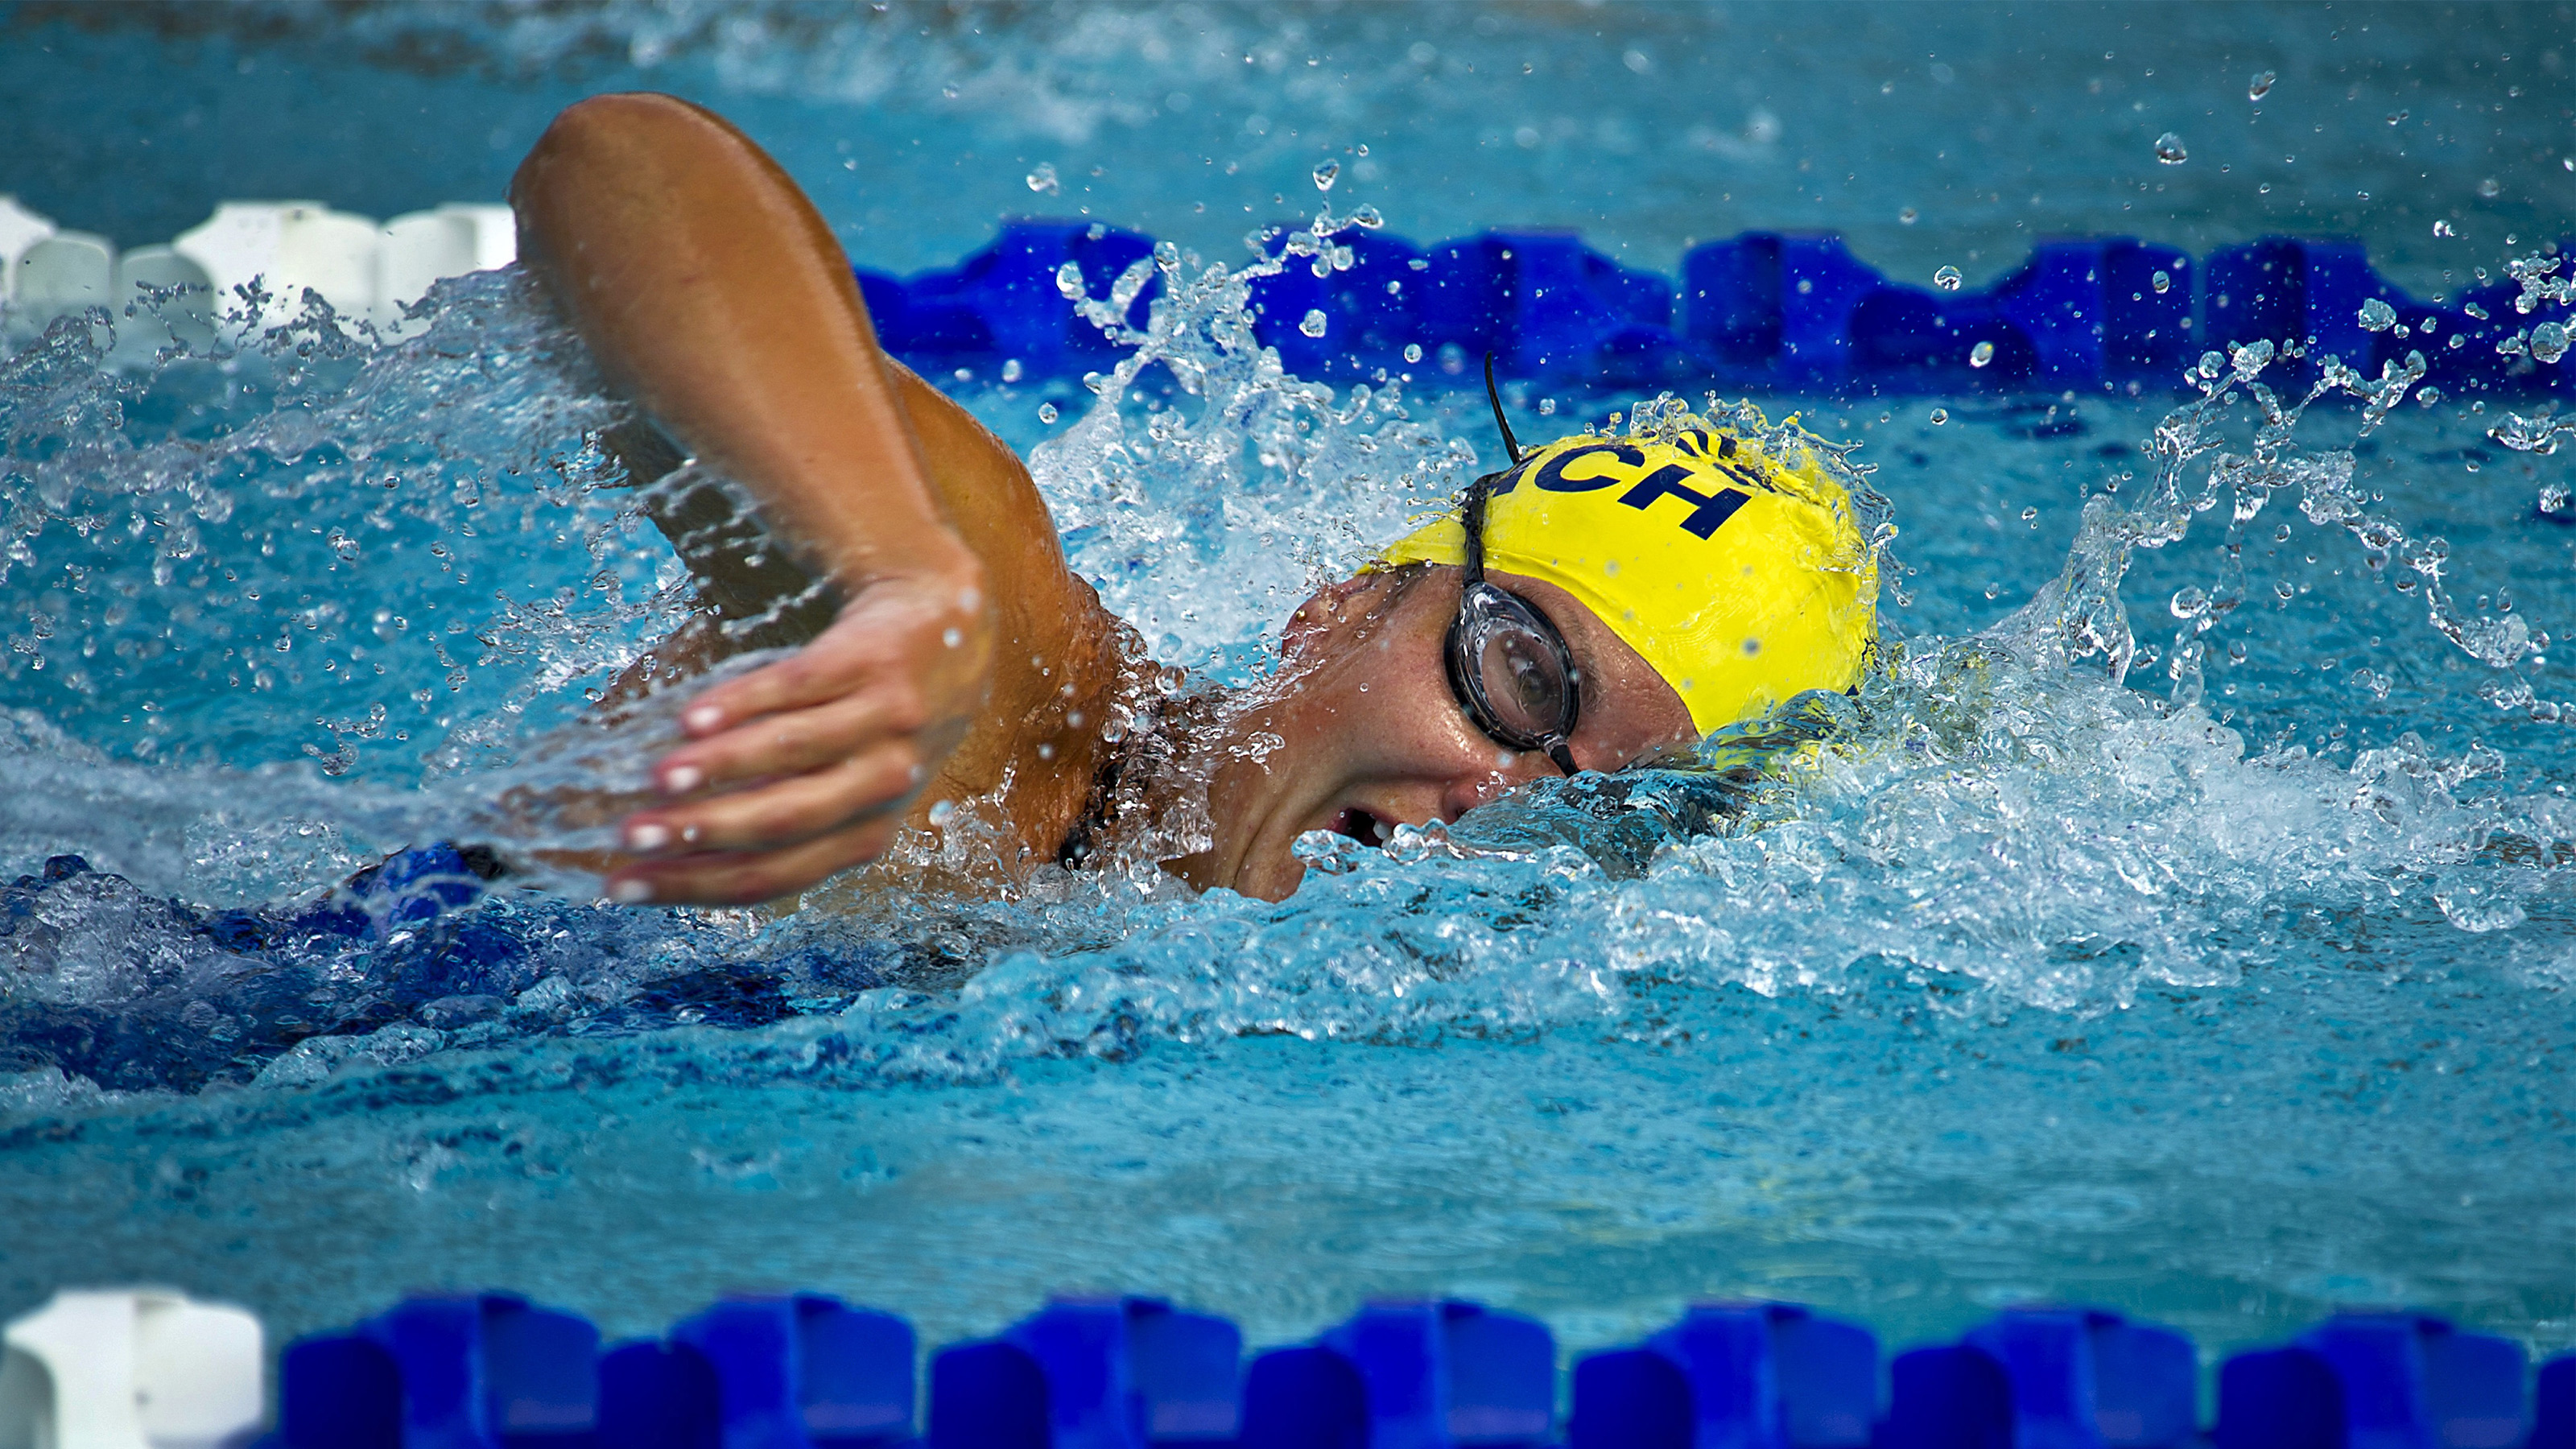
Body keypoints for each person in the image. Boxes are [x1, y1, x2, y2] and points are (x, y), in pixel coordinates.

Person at [508, 93, 1879, 908]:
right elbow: (622, 166)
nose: (1496, 797)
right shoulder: (996, 691)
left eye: (1606, 811)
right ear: (1339, 606)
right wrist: (890, 573)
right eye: (1523, 679)